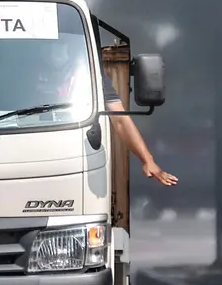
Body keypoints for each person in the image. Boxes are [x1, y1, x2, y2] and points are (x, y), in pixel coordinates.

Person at [37, 39, 180, 187]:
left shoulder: (90, 74)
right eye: (49, 43)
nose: (56, 49)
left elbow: (119, 119)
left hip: (77, 158)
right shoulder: (26, 71)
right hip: (33, 154)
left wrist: (148, 161)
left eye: (62, 42)